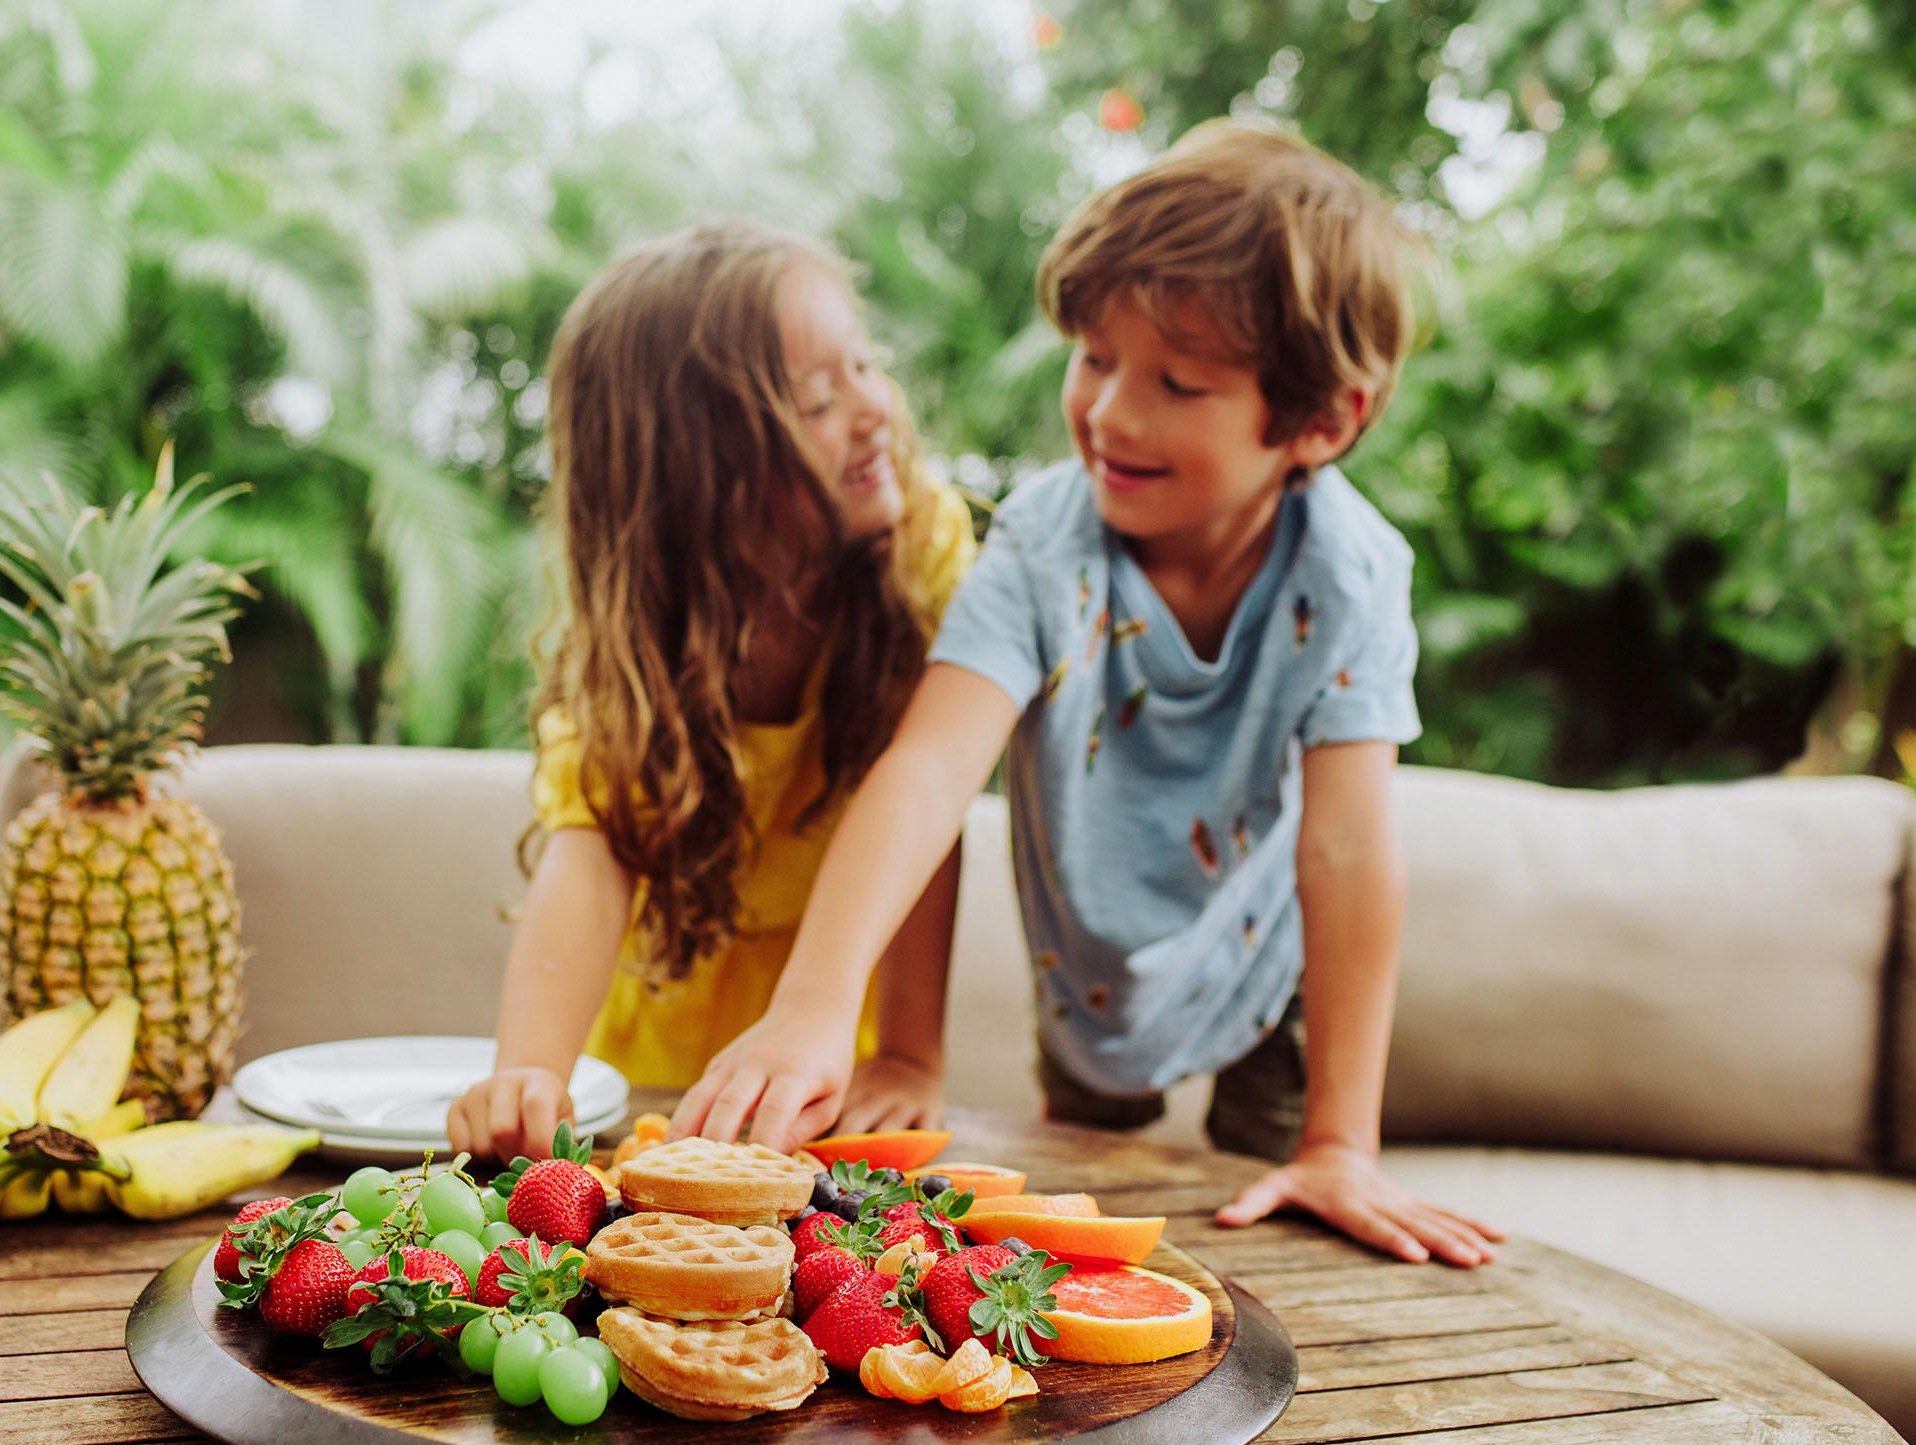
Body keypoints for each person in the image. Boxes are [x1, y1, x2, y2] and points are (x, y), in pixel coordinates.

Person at [676, 124, 1504, 1267]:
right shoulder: (1040, 545)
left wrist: (1342, 1139)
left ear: (1323, 421)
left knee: (1285, 1250)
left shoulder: (1352, 575)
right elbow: (925, 770)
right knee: (1063, 1235)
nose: (1111, 413)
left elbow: (1350, 852)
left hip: (1273, 976)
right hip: (1093, 973)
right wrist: (823, 1006)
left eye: (1179, 382)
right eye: (1095, 358)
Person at [446, 222, 975, 1163]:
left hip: (820, 1032)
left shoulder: (920, 553)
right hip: (655, 1034)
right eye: (818, 398)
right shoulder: (635, 641)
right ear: (703, 472)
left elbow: (925, 807)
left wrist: (908, 1050)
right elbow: (593, 850)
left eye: (866, 364)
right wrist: (530, 1071)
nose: (873, 410)